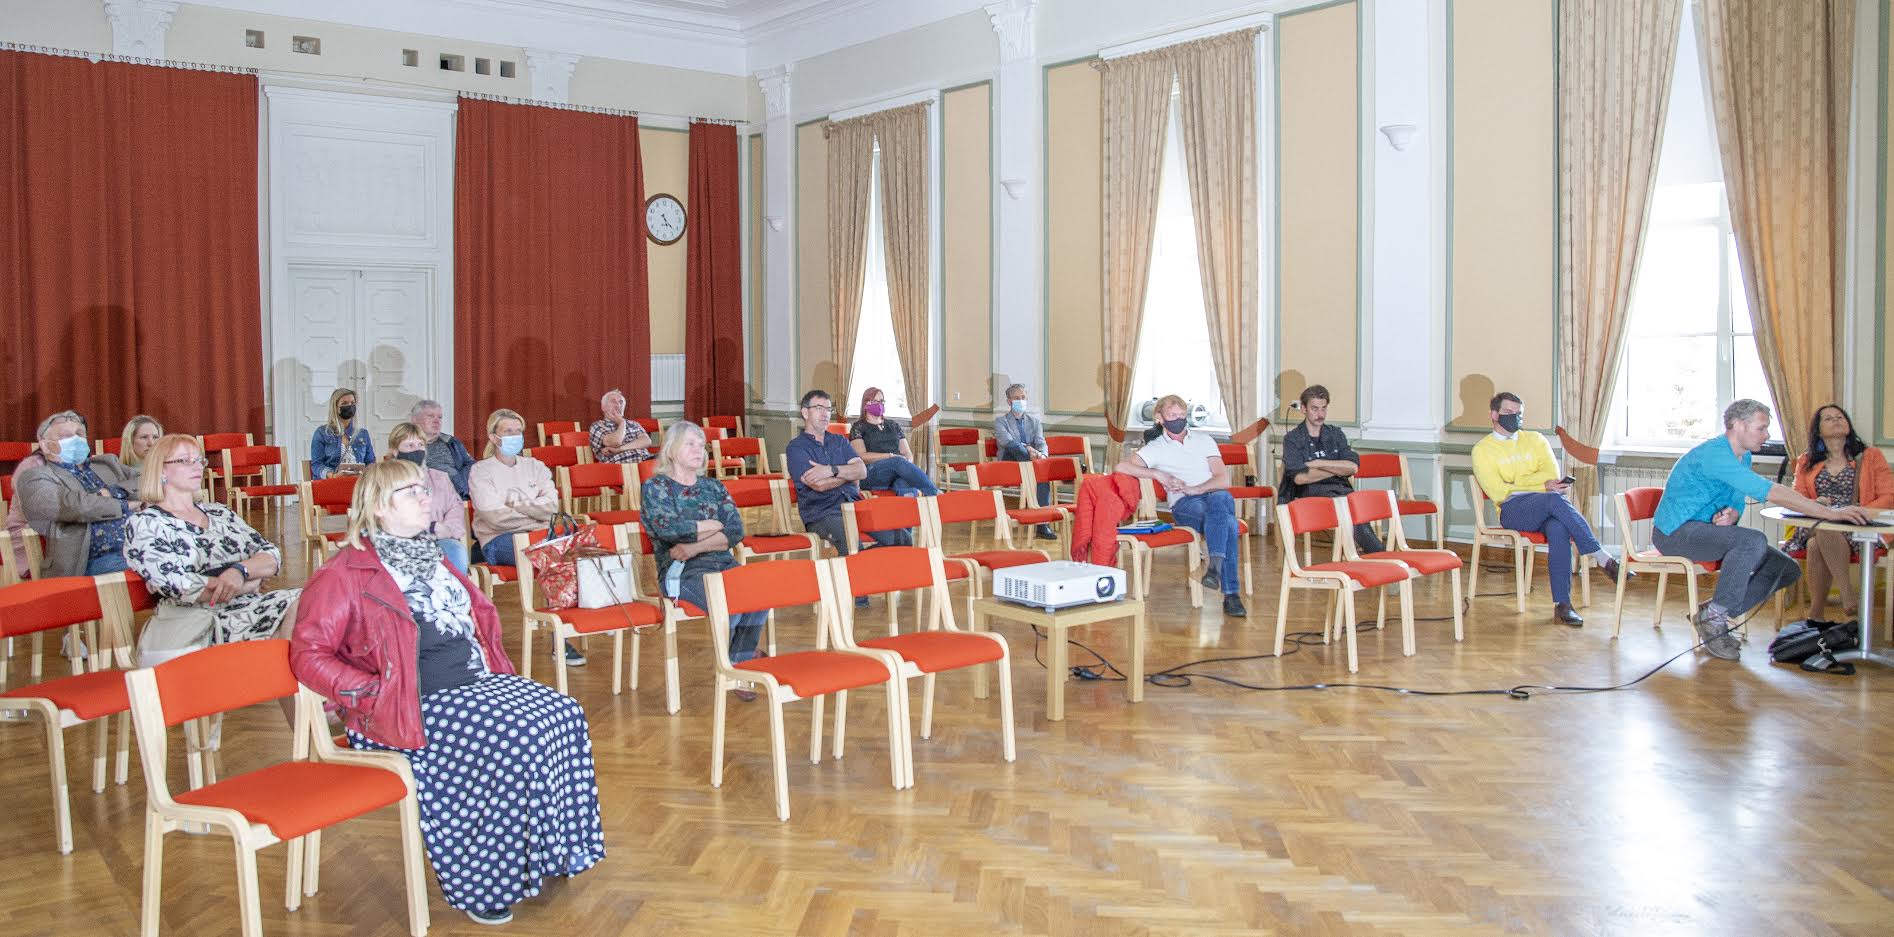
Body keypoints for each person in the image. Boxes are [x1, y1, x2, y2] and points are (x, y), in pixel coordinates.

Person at [291, 459, 605, 926]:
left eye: (424, 490)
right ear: (378, 508)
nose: (426, 498)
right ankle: (483, 883)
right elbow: (308, 654)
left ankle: (549, 853)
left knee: (563, 713)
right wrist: (371, 691)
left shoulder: (433, 556)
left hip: (469, 685)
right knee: (515, 736)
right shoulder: (345, 572)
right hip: (405, 708)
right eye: (411, 493)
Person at [1653, 399, 1868, 660]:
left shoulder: (1743, 457)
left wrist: (1733, 514)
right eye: (1762, 428)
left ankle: (1713, 613)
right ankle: (1715, 618)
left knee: (1785, 569)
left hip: (1703, 530)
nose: (1767, 435)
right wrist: (1830, 512)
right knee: (1752, 540)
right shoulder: (1715, 454)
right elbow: (1770, 491)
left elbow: (1736, 501)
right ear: (1739, 425)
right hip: (1675, 533)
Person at [123, 434, 300, 666]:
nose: (197, 466)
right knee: (293, 645)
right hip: (191, 624)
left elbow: (271, 555)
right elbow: (178, 585)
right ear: (161, 470)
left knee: (313, 599)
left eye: (199, 461)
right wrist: (248, 583)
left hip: (245, 609)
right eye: (185, 461)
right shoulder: (145, 523)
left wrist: (239, 571)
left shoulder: (220, 512)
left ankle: (305, 688)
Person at [639, 421, 771, 701]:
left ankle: (738, 661)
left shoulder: (713, 486)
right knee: (730, 604)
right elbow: (667, 529)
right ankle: (737, 665)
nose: (699, 450)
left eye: (701, 445)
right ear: (672, 450)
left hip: (721, 563)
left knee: (761, 595)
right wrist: (712, 524)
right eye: (690, 443)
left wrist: (694, 546)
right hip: (682, 572)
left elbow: (735, 531)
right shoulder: (656, 487)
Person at [1470, 392, 1625, 626]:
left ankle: (1563, 605)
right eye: (1509, 413)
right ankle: (1602, 558)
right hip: (1512, 511)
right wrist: (1538, 484)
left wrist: (1520, 484)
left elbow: (1550, 476)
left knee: (1558, 528)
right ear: (1494, 414)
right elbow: (1499, 492)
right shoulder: (1482, 450)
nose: (1515, 418)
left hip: (1545, 508)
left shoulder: (1536, 440)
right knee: (1554, 500)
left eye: (1519, 414)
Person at [468, 408, 583, 667]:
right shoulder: (481, 470)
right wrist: (534, 512)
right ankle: (559, 636)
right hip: (499, 541)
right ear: (494, 437)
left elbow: (552, 507)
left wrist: (515, 502)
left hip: (541, 536)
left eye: (518, 431)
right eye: (507, 431)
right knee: (554, 557)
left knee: (573, 555)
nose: (514, 436)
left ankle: (571, 623)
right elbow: (493, 516)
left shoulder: (535, 466)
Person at [1115, 394, 1246, 617]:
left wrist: (1197, 488)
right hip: (1185, 504)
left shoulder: (1204, 441)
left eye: (1182, 415)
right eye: (1172, 415)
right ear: (1159, 418)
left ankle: (1215, 569)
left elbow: (1223, 479)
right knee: (1228, 522)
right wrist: (1157, 473)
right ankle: (1230, 592)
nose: (1179, 420)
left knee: (1222, 498)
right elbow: (1121, 467)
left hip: (1208, 494)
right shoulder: (1155, 448)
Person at [785, 389, 911, 586]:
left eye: (828, 408)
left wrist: (831, 469)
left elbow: (861, 471)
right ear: (805, 412)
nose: (825, 413)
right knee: (852, 542)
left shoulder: (838, 441)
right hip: (823, 512)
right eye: (819, 408)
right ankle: (856, 593)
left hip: (855, 504)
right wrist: (846, 475)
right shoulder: (797, 448)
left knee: (902, 538)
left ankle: (852, 567)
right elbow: (819, 485)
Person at [1784, 403, 1894, 622]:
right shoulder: (1806, 461)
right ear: (1818, 430)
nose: (1836, 420)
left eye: (1840, 417)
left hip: (1858, 525)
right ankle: (1847, 592)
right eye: (1828, 418)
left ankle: (1815, 615)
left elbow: (1888, 495)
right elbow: (1797, 499)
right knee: (1825, 527)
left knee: (1819, 541)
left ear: (1848, 425)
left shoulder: (1870, 456)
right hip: (1817, 522)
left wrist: (1859, 512)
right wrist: (1817, 503)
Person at [17, 410, 141, 577]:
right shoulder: (34, 477)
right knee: (158, 569)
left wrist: (112, 492)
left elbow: (148, 481)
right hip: (90, 561)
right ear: (45, 445)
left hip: (142, 546)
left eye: (79, 434)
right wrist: (126, 505)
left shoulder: (108, 463)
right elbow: (74, 506)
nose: (75, 439)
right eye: (65, 436)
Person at [1279, 385, 1384, 555]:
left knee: (1357, 503)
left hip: (1340, 490)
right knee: (1348, 505)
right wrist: (1336, 467)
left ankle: (1372, 556)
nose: (1320, 414)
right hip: (1308, 493)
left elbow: (1353, 466)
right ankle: (1378, 555)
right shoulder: (1293, 439)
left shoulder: (1335, 434)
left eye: (1323, 408)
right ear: (1304, 409)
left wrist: (1318, 463)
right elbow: (1300, 478)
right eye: (1314, 409)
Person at [388, 422, 470, 573]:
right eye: (410, 445)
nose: (417, 450)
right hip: (401, 542)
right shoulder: (385, 480)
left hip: (441, 540)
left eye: (420, 445)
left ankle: (455, 594)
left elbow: (455, 507)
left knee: (455, 550)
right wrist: (430, 528)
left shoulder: (440, 477)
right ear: (395, 451)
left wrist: (447, 529)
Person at [850, 386, 939, 498]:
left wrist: (907, 465)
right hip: (870, 472)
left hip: (896, 471)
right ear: (866, 404)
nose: (879, 404)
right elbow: (861, 456)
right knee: (897, 462)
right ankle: (934, 493)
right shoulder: (858, 427)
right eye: (875, 401)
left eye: (882, 401)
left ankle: (906, 505)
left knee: (902, 483)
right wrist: (890, 456)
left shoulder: (893, 425)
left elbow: (907, 453)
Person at [993, 383, 1057, 539]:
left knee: (1042, 475)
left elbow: (1042, 443)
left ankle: (1042, 524)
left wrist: (1042, 455)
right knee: (1016, 447)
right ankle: (1036, 465)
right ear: (1009, 401)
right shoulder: (1001, 422)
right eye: (1016, 398)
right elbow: (1007, 442)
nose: (1020, 401)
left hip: (1032, 465)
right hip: (1010, 464)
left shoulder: (1034, 422)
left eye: (1023, 397)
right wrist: (1029, 449)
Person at [411, 399, 476, 499]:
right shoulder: (407, 444)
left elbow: (470, 464)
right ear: (415, 419)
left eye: (440, 417)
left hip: (458, 495)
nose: (437, 421)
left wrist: (458, 480)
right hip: (425, 497)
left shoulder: (451, 441)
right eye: (430, 416)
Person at [310, 387, 374, 479]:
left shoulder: (363, 434)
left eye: (352, 403)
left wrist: (365, 473)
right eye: (344, 403)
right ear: (335, 407)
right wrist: (333, 476)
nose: (349, 406)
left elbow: (370, 462)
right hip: (332, 483)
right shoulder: (322, 433)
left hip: (358, 483)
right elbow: (316, 465)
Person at [588, 388, 653, 465]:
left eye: (621, 402)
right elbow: (615, 442)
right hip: (621, 466)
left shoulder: (634, 424)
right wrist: (622, 423)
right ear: (603, 407)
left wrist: (620, 449)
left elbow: (647, 441)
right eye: (613, 402)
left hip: (646, 461)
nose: (618, 405)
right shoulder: (597, 426)